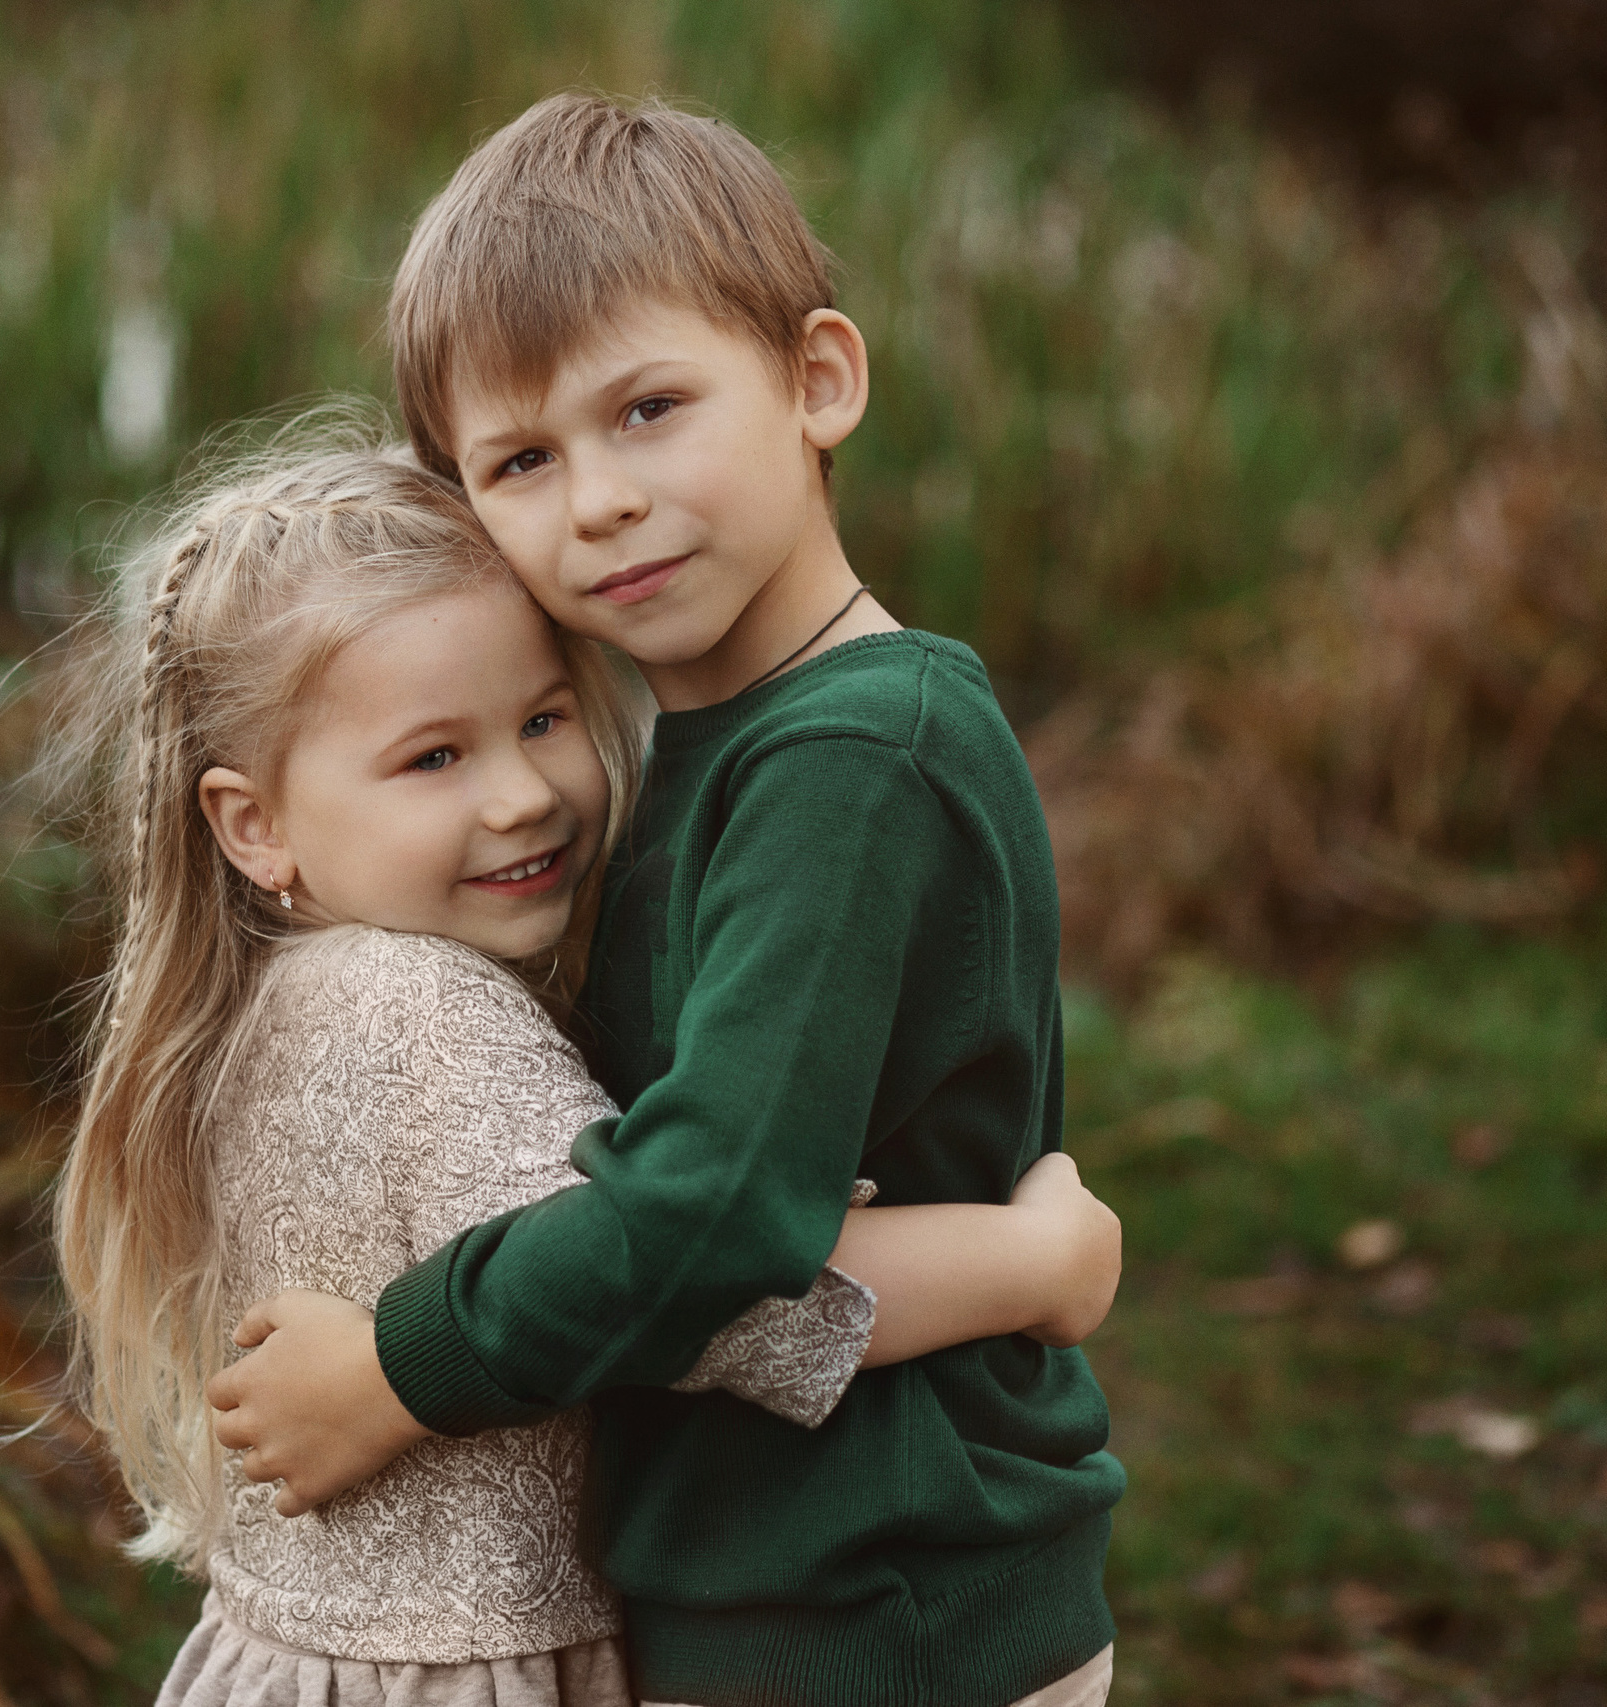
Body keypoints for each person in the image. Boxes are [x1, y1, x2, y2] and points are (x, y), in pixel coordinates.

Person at [204, 95, 1129, 1707]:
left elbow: (716, 1204)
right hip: (773, 1591)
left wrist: (399, 1368)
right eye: (523, 459)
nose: (599, 501)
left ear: (817, 381)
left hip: (881, 1605)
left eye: (648, 409)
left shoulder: (851, 760)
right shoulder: (702, 752)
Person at [51, 435, 1124, 1706]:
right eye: (434, 757)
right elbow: (705, 1286)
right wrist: (1038, 1263)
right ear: (254, 825)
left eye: (542, 720)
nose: (522, 796)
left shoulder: (283, 989)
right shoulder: (421, 1013)